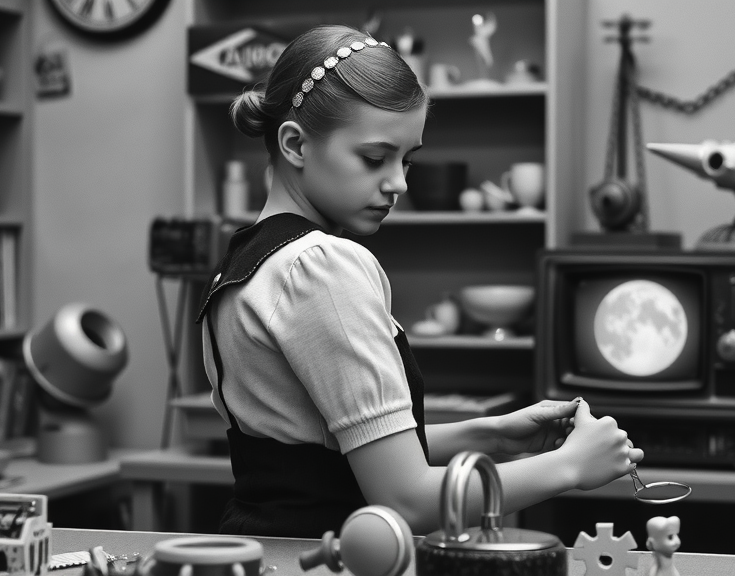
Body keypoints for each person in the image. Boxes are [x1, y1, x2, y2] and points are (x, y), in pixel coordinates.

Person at [196, 23, 645, 538]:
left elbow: (321, 450)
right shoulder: (323, 266)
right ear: (295, 145)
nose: (399, 183)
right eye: (374, 158)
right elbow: (407, 500)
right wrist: (571, 467)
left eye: (406, 160)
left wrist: (490, 434)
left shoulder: (243, 263)